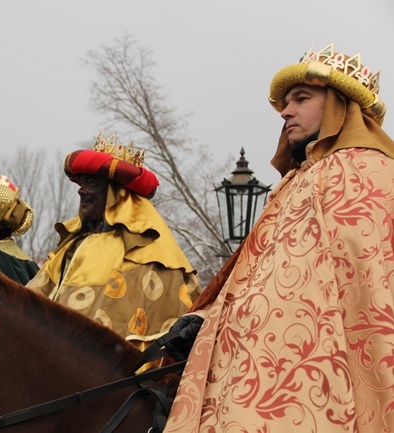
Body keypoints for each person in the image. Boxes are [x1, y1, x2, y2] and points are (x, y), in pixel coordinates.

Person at [163, 43, 394, 432]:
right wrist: (204, 319)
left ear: (340, 104)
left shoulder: (371, 174)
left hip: (324, 387)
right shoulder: (295, 182)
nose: (285, 111)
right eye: (286, 102)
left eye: (301, 98)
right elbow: (254, 280)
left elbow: (373, 290)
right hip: (252, 376)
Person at [26, 132, 201, 357]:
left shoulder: (152, 252)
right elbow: (29, 302)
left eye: (92, 183)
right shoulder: (71, 248)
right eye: (81, 182)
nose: (81, 190)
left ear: (118, 194)